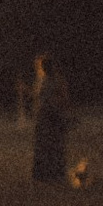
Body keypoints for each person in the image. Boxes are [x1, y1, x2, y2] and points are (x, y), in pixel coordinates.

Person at [28, 54, 73, 186]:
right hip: (45, 117)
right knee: (44, 147)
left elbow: (62, 99)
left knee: (54, 146)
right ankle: (43, 174)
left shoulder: (55, 81)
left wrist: (64, 113)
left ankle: (55, 174)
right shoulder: (44, 80)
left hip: (53, 117)